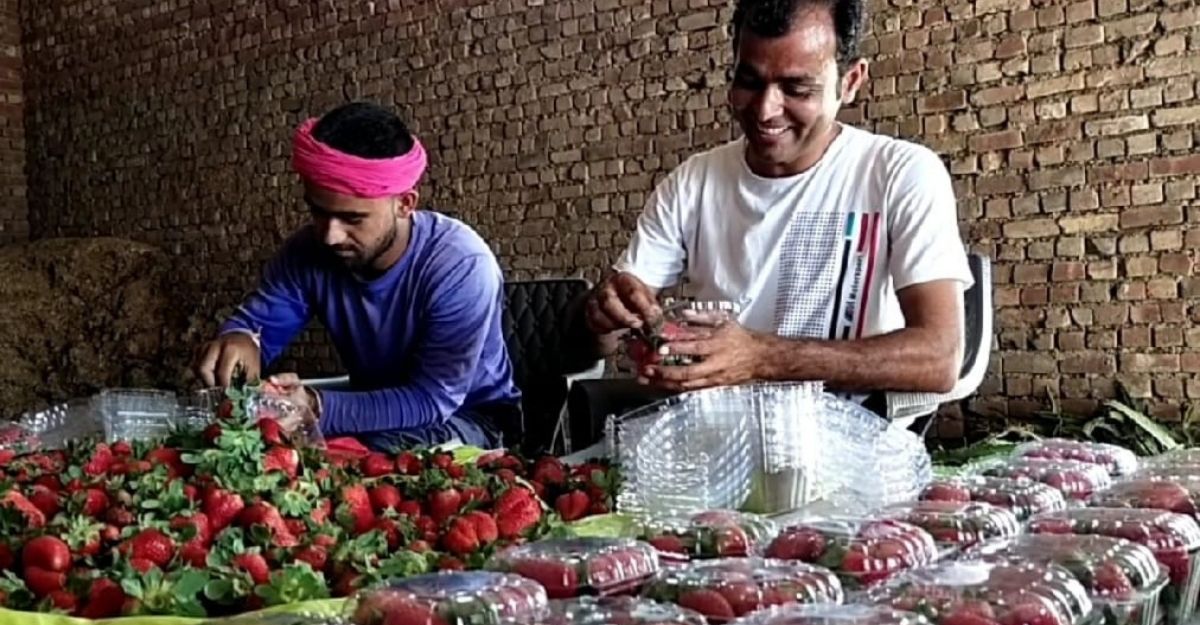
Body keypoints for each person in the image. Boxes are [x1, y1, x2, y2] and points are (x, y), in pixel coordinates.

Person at [584, 0, 973, 427]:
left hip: (852, 451)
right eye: (749, 81)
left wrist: (762, 358)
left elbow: (940, 357)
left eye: (796, 88)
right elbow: (608, 335)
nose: (766, 110)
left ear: (850, 81)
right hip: (716, 446)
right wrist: (606, 317)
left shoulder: (899, 174)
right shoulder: (692, 182)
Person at [195, 101, 521, 451]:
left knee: (347, 459)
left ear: (405, 204)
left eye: (352, 218)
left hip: (471, 419)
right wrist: (242, 339)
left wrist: (317, 407)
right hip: (376, 406)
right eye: (319, 212)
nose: (330, 235)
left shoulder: (461, 266)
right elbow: (260, 326)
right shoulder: (307, 252)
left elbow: (432, 400)